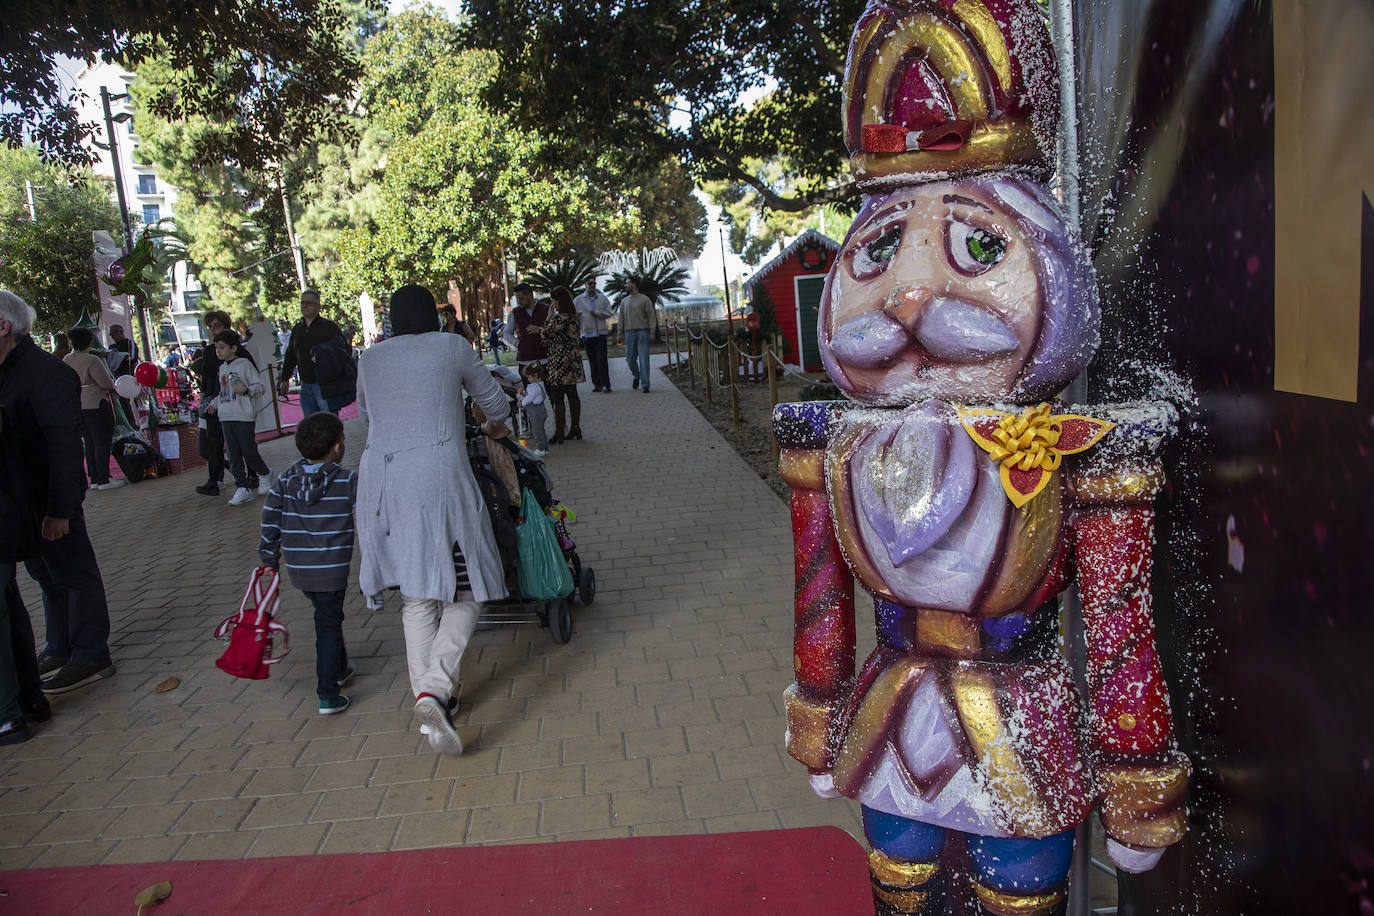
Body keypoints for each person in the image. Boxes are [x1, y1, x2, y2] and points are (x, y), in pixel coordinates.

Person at [356, 284, 512, 756]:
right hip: (438, 479)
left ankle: (431, 713)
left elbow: (366, 416)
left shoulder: (370, 358)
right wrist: (492, 427)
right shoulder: (452, 346)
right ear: (433, 314)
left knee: (417, 597)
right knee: (468, 590)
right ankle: (435, 690)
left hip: (383, 481)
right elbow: (498, 405)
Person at [0, 290, 115, 698]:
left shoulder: (44, 372)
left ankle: (90, 652)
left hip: (49, 497)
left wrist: (60, 509)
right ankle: (60, 645)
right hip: (20, 501)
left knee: (72, 572)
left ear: (4, 327)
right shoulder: (10, 370)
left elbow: (65, 445)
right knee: (45, 575)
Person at [258, 411, 357, 715]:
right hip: (331, 570)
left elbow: (270, 518)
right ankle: (328, 694)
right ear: (338, 447)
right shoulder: (347, 481)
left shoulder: (285, 479)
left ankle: (339, 667)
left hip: (299, 569)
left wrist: (269, 555)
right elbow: (373, 512)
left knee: (327, 616)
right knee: (327, 625)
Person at [207, 329, 271, 507]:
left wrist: (247, 390)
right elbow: (224, 392)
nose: (218, 351)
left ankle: (264, 473)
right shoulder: (222, 368)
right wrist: (214, 404)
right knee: (233, 454)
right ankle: (242, 486)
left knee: (248, 450)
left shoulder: (244, 365)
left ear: (233, 348)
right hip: (226, 416)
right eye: (216, 348)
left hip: (243, 416)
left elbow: (260, 387)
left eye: (222, 347)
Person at [63, 327, 124, 490]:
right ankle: (104, 479)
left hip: (78, 405)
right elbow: (105, 383)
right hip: (96, 403)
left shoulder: (67, 359)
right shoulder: (92, 360)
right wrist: (114, 384)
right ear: (89, 341)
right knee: (102, 442)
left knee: (89, 443)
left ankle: (95, 478)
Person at [278, 289, 345, 416]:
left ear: (318, 306)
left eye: (308, 303)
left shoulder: (329, 327)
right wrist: (285, 378)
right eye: (302, 303)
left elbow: (343, 350)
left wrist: (325, 354)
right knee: (311, 425)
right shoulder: (298, 329)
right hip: (305, 386)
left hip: (325, 385)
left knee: (329, 422)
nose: (305, 306)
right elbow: (291, 355)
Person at [188, 311, 231, 496]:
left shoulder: (235, 350)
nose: (212, 330)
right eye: (210, 327)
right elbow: (206, 380)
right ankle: (215, 480)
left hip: (229, 400)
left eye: (216, 326)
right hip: (212, 401)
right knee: (210, 446)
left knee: (238, 444)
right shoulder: (208, 351)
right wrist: (203, 400)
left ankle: (252, 474)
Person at [543, 286, 585, 443]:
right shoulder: (574, 317)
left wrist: (548, 318)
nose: (553, 304)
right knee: (572, 394)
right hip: (572, 360)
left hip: (560, 361)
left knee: (558, 396)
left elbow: (546, 333)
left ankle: (560, 430)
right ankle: (575, 427)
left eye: (554, 300)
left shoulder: (560, 318)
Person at [617, 277, 657, 393]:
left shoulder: (645, 299)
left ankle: (645, 385)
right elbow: (621, 318)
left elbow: (651, 316)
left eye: (627, 283)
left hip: (642, 332)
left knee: (644, 359)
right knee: (630, 359)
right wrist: (619, 333)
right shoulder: (624, 301)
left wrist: (652, 331)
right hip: (629, 333)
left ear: (634, 284)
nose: (625, 285)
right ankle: (636, 375)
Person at [574, 277, 613, 392]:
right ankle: (597, 384)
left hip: (600, 333)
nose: (592, 285)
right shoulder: (578, 300)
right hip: (587, 334)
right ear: (585, 284)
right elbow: (571, 314)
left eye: (594, 283)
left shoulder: (602, 298)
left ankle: (606, 384)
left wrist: (597, 313)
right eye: (590, 283)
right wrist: (576, 316)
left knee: (602, 359)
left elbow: (609, 313)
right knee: (592, 361)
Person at [504, 283, 550, 378]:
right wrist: (517, 343)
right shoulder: (514, 313)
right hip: (525, 361)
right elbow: (507, 333)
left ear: (530, 295)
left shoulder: (547, 309)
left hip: (545, 359)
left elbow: (556, 329)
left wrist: (543, 333)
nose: (518, 302)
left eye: (521, 299)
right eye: (517, 299)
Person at [519, 362, 550, 456]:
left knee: (537, 432)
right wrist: (523, 394)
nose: (528, 380)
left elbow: (530, 398)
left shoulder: (536, 387)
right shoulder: (538, 385)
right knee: (541, 430)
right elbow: (530, 396)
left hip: (537, 413)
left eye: (529, 377)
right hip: (539, 412)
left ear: (535, 376)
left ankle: (541, 449)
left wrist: (522, 403)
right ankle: (545, 448)